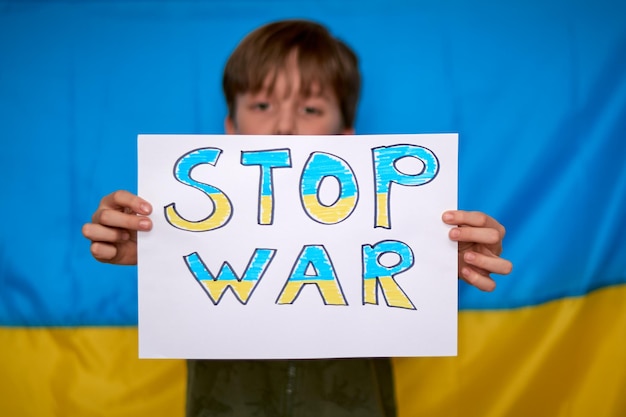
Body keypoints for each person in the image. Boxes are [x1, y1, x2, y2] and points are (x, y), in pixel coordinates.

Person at [82, 19, 512, 417]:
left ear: (346, 137)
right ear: (230, 126)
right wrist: (156, 245)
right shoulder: (193, 217)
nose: (284, 125)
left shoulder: (388, 219)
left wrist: (440, 257)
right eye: (263, 104)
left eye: (309, 109)